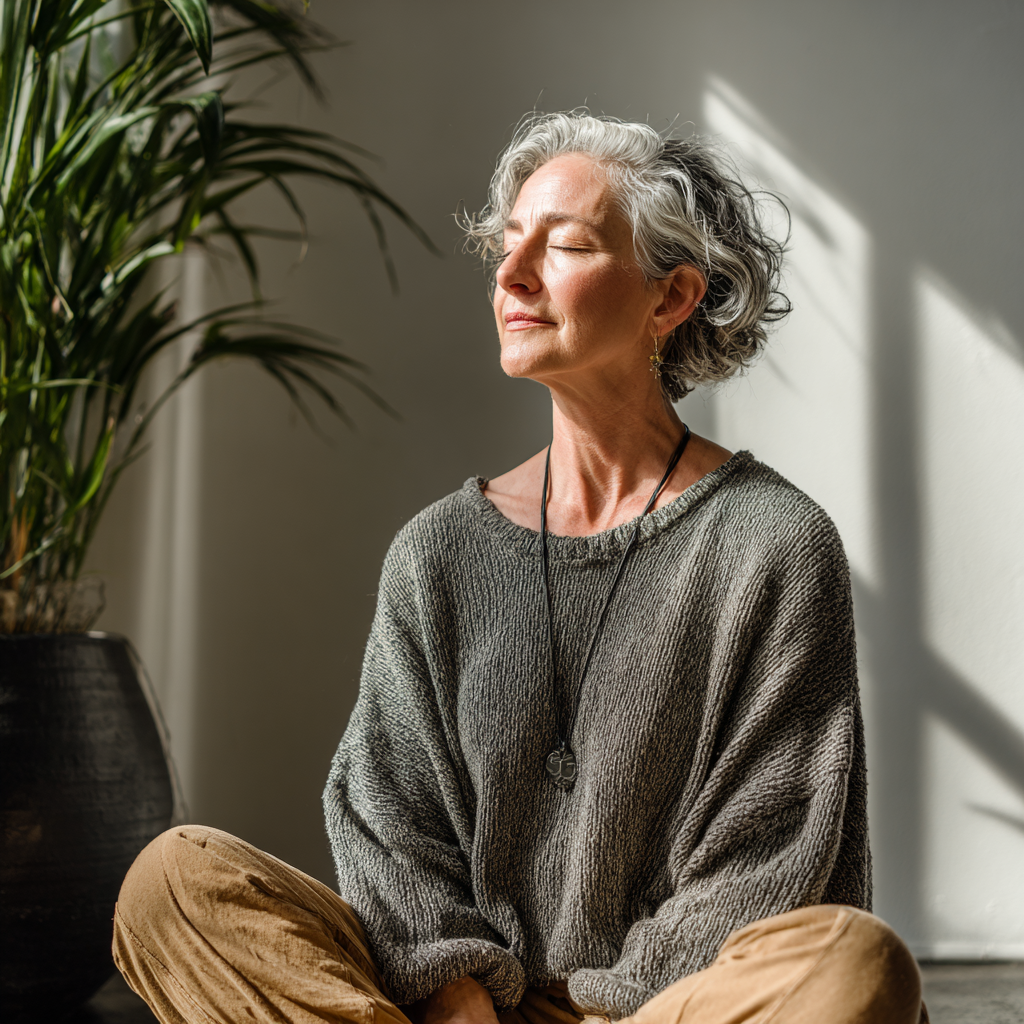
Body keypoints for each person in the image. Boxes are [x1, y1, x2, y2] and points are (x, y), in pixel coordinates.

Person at [112, 112, 926, 1024]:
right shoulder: (437, 553)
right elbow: (391, 827)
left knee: (855, 962)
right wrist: (461, 1004)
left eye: (566, 245)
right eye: (509, 244)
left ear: (672, 298)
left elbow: (769, 861)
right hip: (458, 1011)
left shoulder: (775, 545)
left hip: (669, 1012)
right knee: (172, 881)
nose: (511, 273)